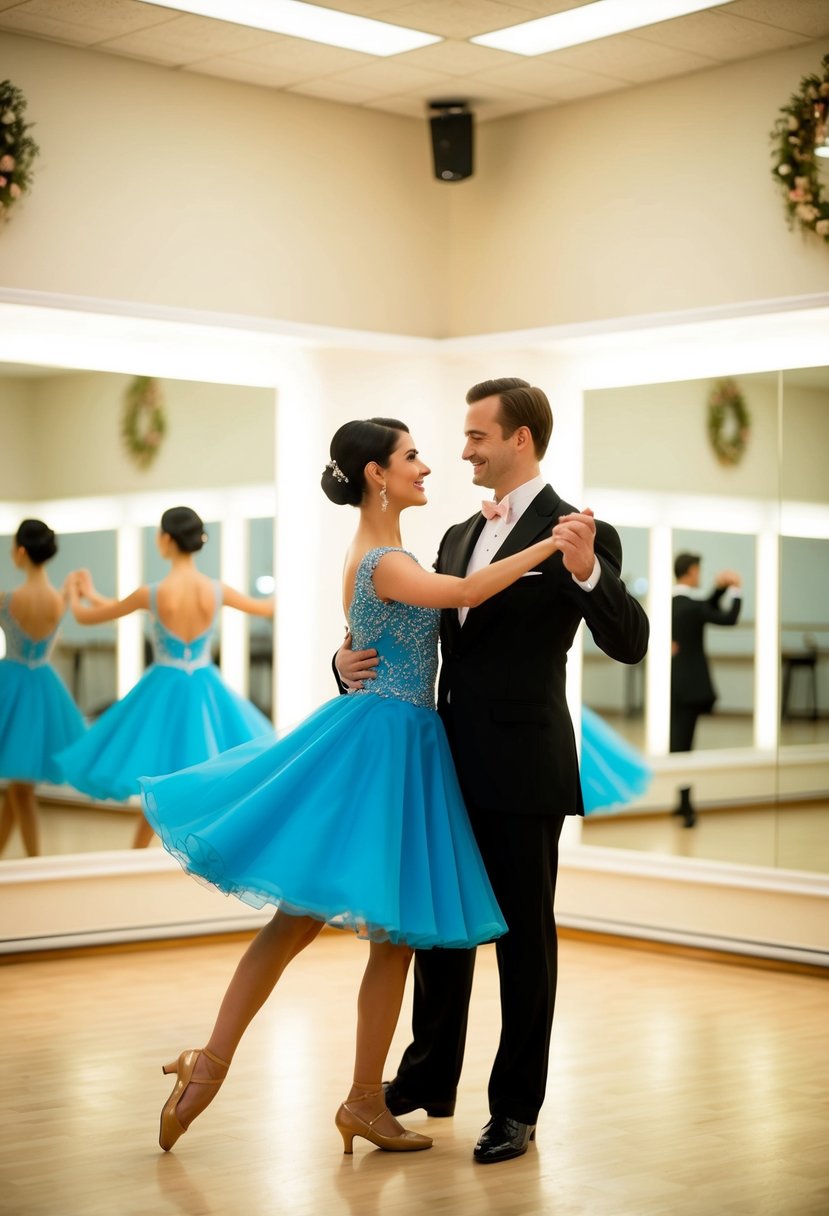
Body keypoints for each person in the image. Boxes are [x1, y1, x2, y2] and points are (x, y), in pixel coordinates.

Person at [137, 418, 562, 1158]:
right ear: (376, 475)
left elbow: (392, 630)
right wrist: (551, 542)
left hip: (402, 744)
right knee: (296, 923)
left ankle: (363, 1099)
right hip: (380, 750)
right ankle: (209, 1065)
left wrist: (345, 654)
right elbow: (463, 589)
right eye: (410, 457)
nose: (426, 466)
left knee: (391, 939)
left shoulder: (383, 552)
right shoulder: (385, 558)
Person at [336, 379, 649, 1164]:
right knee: (439, 926)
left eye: (477, 435)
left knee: (522, 940)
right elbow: (404, 631)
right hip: (442, 761)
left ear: (520, 440)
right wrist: (342, 664)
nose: (463, 449)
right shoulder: (449, 537)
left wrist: (584, 573)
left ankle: (515, 1108)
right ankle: (426, 1078)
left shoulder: (578, 529)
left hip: (523, 762)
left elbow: (631, 639)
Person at [55, 507, 274, 847]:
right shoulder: (216, 590)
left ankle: (137, 856)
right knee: (203, 773)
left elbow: (89, 617)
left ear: (168, 539)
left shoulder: (153, 593)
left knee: (159, 775)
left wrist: (74, 595)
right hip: (204, 689)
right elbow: (267, 607)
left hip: (163, 689)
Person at [0, 520, 86, 857]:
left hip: (12, 684)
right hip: (43, 689)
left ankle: (35, 861)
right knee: (18, 789)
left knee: (20, 791)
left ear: (20, 551)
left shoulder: (7, 599)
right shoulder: (59, 600)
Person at [670, 552, 742, 826]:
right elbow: (728, 618)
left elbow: (705, 604)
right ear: (690, 571)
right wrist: (735, 589)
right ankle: (686, 806)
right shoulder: (693, 607)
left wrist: (720, 588)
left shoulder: (672, 604)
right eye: (698, 570)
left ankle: (682, 802)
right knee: (684, 746)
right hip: (690, 688)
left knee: (679, 744)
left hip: (671, 685)